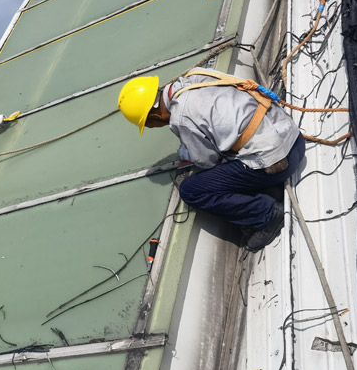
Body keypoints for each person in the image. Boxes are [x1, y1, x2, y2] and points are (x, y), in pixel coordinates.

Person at [117, 69, 305, 252]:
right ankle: (268, 189)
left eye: (149, 124)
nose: (155, 127)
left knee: (192, 190)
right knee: (233, 150)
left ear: (155, 115)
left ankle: (266, 215)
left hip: (279, 161)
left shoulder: (181, 117)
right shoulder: (197, 75)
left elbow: (207, 160)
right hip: (294, 139)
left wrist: (187, 153)